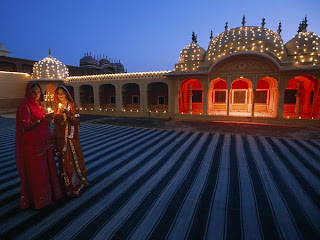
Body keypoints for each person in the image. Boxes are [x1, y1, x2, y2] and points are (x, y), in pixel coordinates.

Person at [15, 82, 62, 209]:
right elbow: (26, 126)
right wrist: (42, 119)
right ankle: (39, 199)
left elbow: (43, 123)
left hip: (44, 143)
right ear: (28, 93)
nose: (36, 95)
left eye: (38, 92)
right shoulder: (25, 107)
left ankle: (50, 194)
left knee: (47, 168)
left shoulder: (39, 105)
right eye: (33, 92)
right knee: (38, 171)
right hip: (33, 145)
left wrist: (48, 119)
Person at [52, 85, 89, 198]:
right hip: (61, 138)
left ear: (67, 94)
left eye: (62, 93)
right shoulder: (57, 107)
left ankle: (76, 184)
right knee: (63, 162)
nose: (61, 95)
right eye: (58, 93)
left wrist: (68, 114)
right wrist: (56, 119)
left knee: (71, 160)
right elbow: (57, 122)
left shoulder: (71, 105)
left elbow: (76, 121)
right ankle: (66, 185)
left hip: (70, 138)